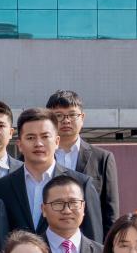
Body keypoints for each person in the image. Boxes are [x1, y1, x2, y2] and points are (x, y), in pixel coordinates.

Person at [0, 108, 104, 243]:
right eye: (31, 138)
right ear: (19, 145)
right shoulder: (0, 188)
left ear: (57, 141)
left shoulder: (81, 184)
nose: (38, 144)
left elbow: (93, 242)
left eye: (45, 137)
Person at [48, 90, 120, 230]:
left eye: (72, 115)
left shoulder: (102, 159)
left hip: (89, 238)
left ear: (82, 117)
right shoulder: (35, 157)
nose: (66, 120)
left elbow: (111, 211)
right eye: (59, 115)